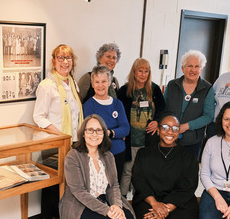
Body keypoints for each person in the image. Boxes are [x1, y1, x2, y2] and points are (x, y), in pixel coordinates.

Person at [132, 113, 200, 219]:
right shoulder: (144, 153)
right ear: (158, 130)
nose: (170, 131)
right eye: (165, 127)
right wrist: (155, 204)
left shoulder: (188, 156)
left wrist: (167, 208)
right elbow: (139, 181)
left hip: (179, 201)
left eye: (175, 128)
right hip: (150, 198)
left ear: (178, 132)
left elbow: (188, 186)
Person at [33, 44, 83, 219]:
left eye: (68, 58)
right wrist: (62, 136)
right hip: (53, 143)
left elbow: (75, 115)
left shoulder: (73, 83)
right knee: (52, 184)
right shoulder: (47, 85)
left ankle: (59, 216)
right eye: (60, 58)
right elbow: (39, 117)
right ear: (53, 61)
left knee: (67, 183)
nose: (65, 61)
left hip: (72, 143)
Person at [117, 58, 165, 197]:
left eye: (146, 71)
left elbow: (162, 108)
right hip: (130, 139)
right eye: (140, 71)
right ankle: (123, 198)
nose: (143, 74)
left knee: (144, 171)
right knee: (127, 170)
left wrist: (157, 121)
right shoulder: (125, 90)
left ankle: (140, 198)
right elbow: (118, 112)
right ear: (134, 72)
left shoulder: (154, 89)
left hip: (147, 140)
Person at [164, 50, 215, 160]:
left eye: (197, 66)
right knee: (167, 170)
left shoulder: (207, 89)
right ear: (183, 68)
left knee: (188, 173)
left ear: (201, 69)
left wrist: (187, 126)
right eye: (189, 66)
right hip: (169, 137)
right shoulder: (172, 85)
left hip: (193, 141)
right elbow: (163, 108)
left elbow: (209, 116)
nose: (193, 70)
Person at [82, 65, 130, 182]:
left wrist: (110, 132)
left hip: (118, 152)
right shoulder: (88, 105)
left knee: (114, 186)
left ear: (109, 83)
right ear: (92, 84)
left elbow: (125, 128)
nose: (100, 85)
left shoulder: (117, 104)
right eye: (97, 82)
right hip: (98, 153)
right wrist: (116, 133)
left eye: (104, 81)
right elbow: (91, 131)